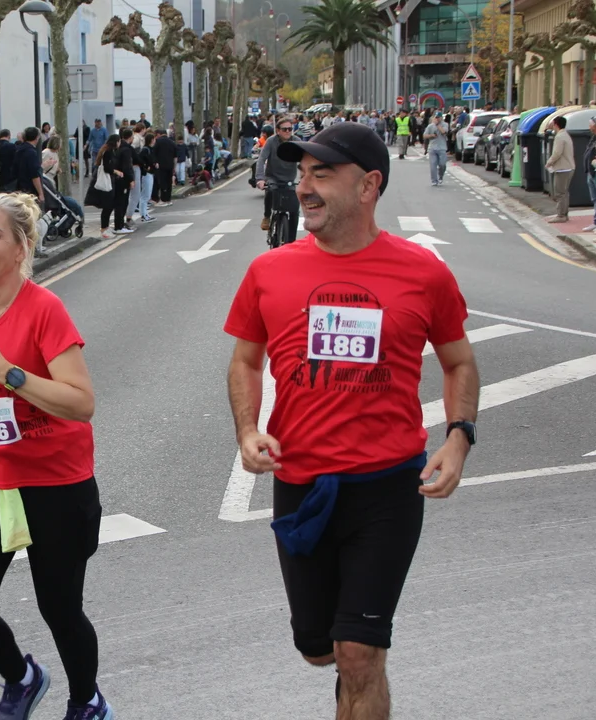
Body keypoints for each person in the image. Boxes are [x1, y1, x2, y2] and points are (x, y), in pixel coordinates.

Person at [225, 122, 478, 720]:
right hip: (301, 483)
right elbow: (244, 360)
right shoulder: (269, 271)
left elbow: (460, 362)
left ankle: (361, 670)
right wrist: (247, 430)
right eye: (302, 174)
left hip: (387, 486)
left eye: (322, 174)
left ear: (367, 186)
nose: (303, 187)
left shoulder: (423, 272)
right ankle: (351, 672)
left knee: (360, 653)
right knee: (319, 650)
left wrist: (459, 438)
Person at [0, 192, 114, 720]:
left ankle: (87, 702)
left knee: (60, 609)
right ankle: (22, 677)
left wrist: (6, 372)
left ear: (21, 247)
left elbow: (81, 403)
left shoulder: (44, 310)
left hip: (56, 480)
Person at [255, 117, 299, 244]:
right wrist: (260, 179)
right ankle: (267, 216)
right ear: (278, 131)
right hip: (272, 177)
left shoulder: (297, 141)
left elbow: (306, 160)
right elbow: (261, 159)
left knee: (294, 209)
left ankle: (291, 242)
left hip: (289, 179)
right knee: (270, 190)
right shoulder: (271, 141)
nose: (288, 131)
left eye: (290, 129)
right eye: (284, 129)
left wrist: (308, 178)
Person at [545, 115, 574, 223]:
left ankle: (561, 215)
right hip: (569, 167)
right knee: (564, 192)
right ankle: (564, 213)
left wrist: (549, 162)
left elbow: (557, 153)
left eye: (553, 124)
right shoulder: (566, 135)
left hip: (562, 168)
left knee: (560, 192)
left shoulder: (559, 137)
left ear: (556, 125)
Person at [14, 127, 46, 205]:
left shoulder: (19, 149)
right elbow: (34, 175)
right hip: (29, 188)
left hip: (19, 186)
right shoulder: (31, 152)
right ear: (37, 137)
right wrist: (41, 193)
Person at [423, 111, 449, 186]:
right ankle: (434, 180)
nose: (437, 119)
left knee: (442, 164)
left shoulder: (445, 124)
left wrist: (437, 125)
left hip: (442, 148)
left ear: (441, 118)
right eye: (436, 117)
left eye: (438, 117)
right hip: (432, 148)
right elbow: (425, 135)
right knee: (433, 165)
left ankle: (440, 176)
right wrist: (431, 135)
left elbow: (444, 132)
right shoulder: (430, 126)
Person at [136, 131, 157, 222]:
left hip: (150, 173)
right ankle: (143, 214)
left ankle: (145, 214)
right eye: (154, 139)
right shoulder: (146, 149)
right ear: (151, 140)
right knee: (145, 195)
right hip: (147, 174)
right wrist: (146, 166)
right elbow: (140, 159)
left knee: (146, 195)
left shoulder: (149, 149)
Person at [153, 129, 176, 206]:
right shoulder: (172, 142)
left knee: (163, 182)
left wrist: (155, 162)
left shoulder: (158, 141)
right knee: (169, 182)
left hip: (161, 165)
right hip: (170, 164)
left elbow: (154, 152)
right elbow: (175, 157)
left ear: (159, 134)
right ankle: (168, 199)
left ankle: (163, 199)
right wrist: (174, 167)